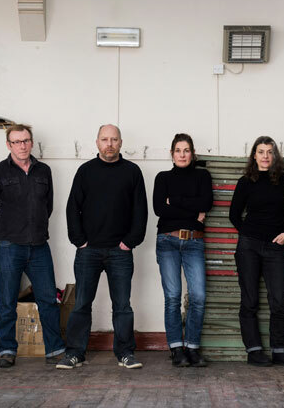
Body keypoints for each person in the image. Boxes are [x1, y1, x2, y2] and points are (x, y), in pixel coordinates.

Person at [58, 124, 148, 370]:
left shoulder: (132, 171)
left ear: (121, 142)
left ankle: (125, 353)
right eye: (105, 139)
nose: (109, 144)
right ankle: (75, 353)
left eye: (114, 139)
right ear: (97, 142)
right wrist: (80, 241)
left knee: (122, 306)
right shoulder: (85, 171)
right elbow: (72, 208)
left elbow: (140, 211)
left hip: (120, 252)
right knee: (81, 304)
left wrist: (129, 242)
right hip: (89, 251)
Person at [0, 124, 65, 368]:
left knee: (47, 299)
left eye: (25, 140)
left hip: (39, 247)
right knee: (7, 301)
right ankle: (6, 350)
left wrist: (36, 229)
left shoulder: (43, 171)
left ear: (31, 142)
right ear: (9, 145)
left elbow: (48, 206)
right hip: (9, 248)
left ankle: (55, 349)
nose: (22, 145)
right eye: (16, 142)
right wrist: (0, 235)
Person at [228, 136, 284, 367]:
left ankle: (279, 350)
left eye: (269, 152)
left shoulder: (283, 180)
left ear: (274, 155)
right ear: (254, 155)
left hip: (275, 246)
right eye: (261, 151)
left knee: (279, 299)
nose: (265, 156)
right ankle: (254, 351)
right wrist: (249, 233)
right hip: (249, 247)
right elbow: (234, 215)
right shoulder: (246, 181)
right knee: (250, 300)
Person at [153, 133, 213, 367]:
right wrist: (192, 210)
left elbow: (206, 203)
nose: (182, 154)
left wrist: (174, 202)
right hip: (167, 241)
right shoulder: (162, 177)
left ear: (192, 153)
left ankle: (193, 347)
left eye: (186, 150)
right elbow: (160, 209)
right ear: (172, 153)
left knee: (198, 296)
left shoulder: (202, 176)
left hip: (194, 242)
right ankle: (177, 349)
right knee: (172, 297)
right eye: (178, 150)